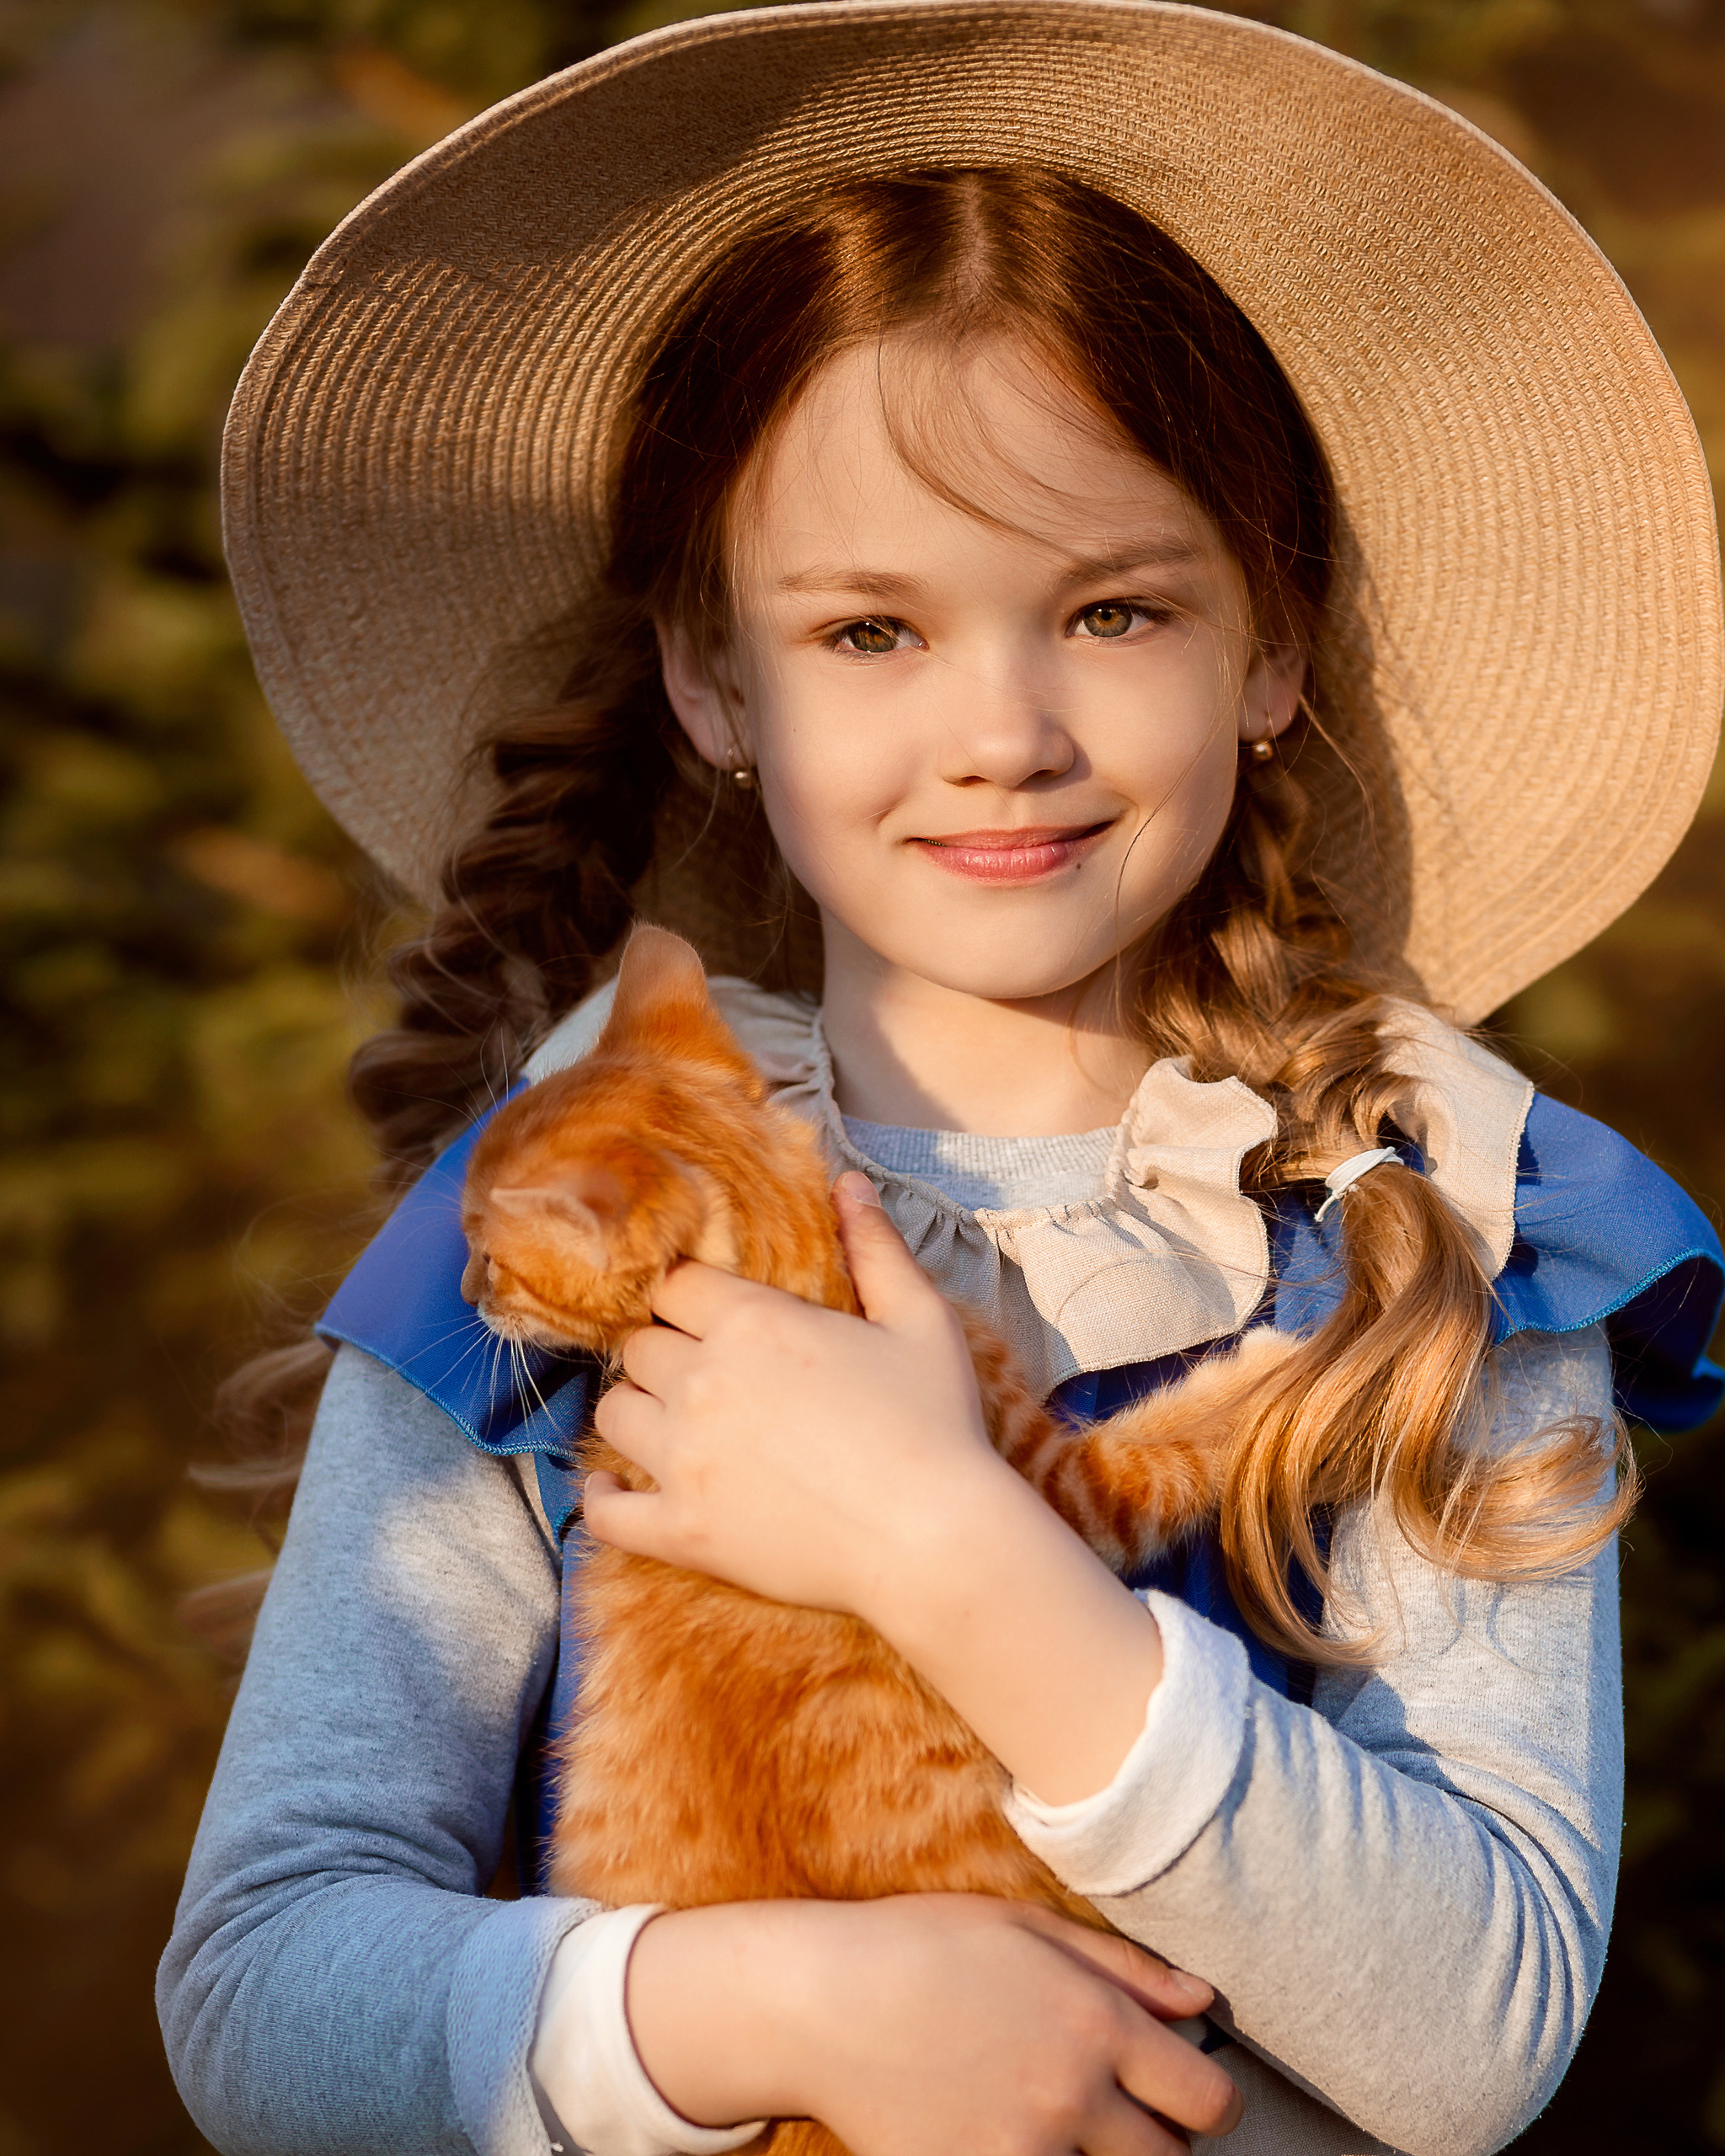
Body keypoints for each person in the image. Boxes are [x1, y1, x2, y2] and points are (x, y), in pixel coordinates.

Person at [158, 8, 1725, 2155]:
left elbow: (1475, 2038)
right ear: (714, 674)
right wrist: (782, 2004)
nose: (1001, 729)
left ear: (1269, 642)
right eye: (869, 632)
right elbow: (262, 1995)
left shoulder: (1430, 1220)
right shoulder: (587, 1194)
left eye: (1108, 609)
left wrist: (947, 1543)